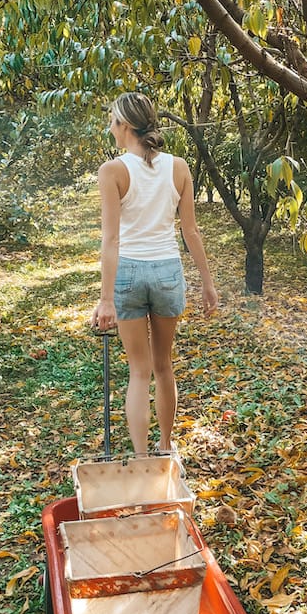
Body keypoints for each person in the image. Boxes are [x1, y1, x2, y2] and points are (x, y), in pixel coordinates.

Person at [91, 92, 218, 456]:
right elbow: (191, 231)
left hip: (129, 274)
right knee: (164, 367)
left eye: (112, 121)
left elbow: (111, 239)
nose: (110, 128)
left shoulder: (112, 171)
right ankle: (166, 447)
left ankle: (144, 460)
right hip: (167, 272)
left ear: (125, 126)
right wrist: (207, 284)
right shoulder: (178, 167)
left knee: (139, 373)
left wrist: (105, 300)